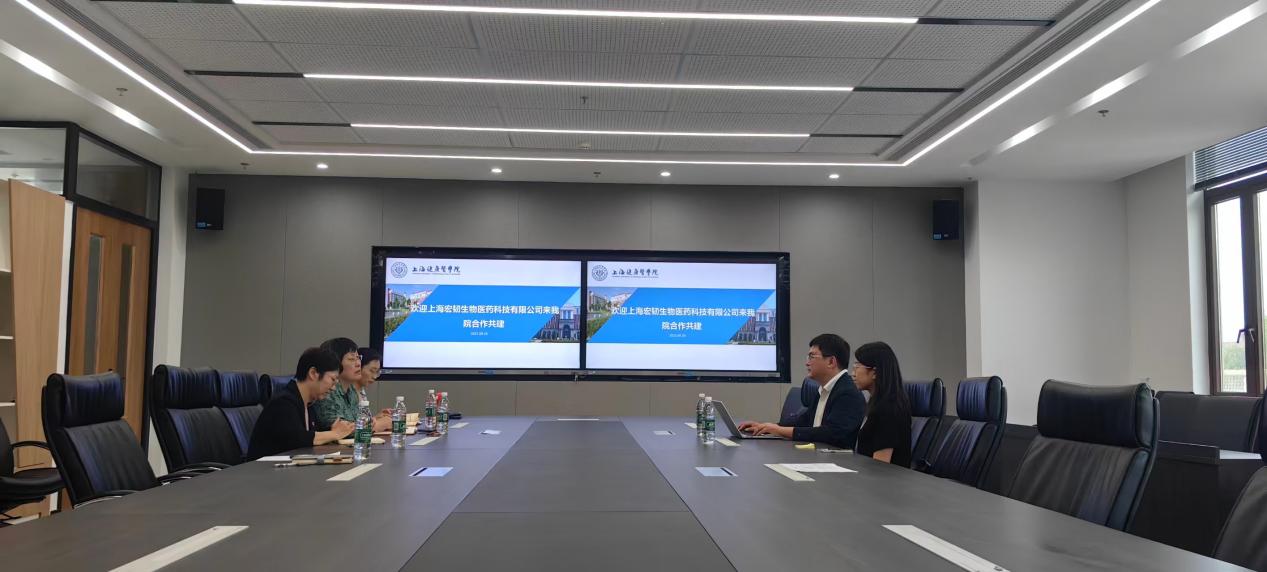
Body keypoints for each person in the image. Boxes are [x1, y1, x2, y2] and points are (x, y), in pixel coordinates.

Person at [738, 333, 865, 449]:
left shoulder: (848, 392)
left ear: (831, 362)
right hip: (817, 455)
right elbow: (803, 422)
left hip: (837, 461)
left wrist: (778, 430)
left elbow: (831, 433)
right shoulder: (824, 389)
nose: (807, 363)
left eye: (812, 357)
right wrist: (765, 427)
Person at [247, 347, 354, 460]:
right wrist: (334, 434)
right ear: (313, 373)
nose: (333, 388)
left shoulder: (309, 403)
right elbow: (298, 439)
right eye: (332, 379)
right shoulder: (283, 403)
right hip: (264, 468)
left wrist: (332, 433)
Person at [851, 341, 912, 467]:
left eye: (857, 366)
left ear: (875, 373)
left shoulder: (888, 409)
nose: (853, 373)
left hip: (885, 478)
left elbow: (881, 466)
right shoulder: (876, 402)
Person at [312, 337, 390, 432]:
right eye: (351, 359)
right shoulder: (327, 390)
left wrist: (375, 420)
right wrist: (377, 425)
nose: (358, 364)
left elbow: (356, 422)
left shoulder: (351, 390)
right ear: (335, 363)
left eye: (358, 358)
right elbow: (338, 429)